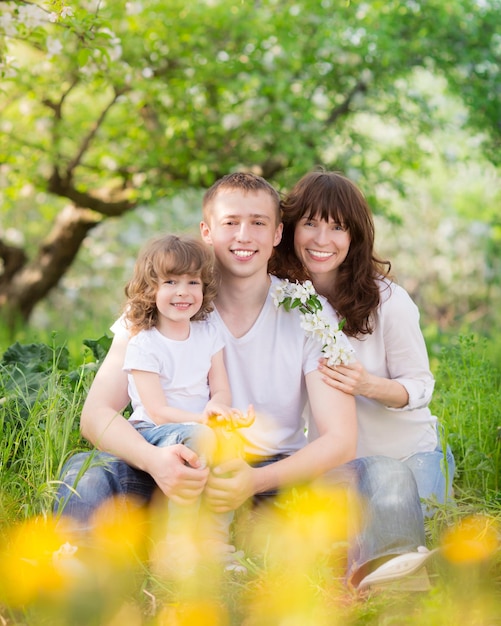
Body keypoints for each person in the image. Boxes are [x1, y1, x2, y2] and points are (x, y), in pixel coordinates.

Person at [54, 172, 431, 592]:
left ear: (277, 234)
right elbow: (96, 416)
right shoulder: (166, 299)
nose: (243, 235)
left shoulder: (308, 311)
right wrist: (155, 461)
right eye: (231, 222)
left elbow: (340, 440)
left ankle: (390, 574)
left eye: (258, 223)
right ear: (206, 230)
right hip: (180, 473)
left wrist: (252, 482)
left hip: (274, 480)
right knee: (86, 472)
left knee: (385, 474)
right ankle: (80, 574)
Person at [269, 169, 455, 516]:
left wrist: (368, 385)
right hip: (338, 466)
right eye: (311, 223)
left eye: (338, 227)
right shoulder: (280, 298)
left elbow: (420, 387)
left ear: (354, 236)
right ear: (290, 228)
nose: (322, 239)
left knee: (402, 531)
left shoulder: (389, 301)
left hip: (410, 458)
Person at [120, 233, 253, 569]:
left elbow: (220, 389)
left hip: (195, 425)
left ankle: (213, 541)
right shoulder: (144, 344)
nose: (183, 292)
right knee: (200, 440)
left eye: (193, 282)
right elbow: (158, 411)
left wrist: (218, 410)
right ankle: (176, 545)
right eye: (170, 281)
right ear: (151, 289)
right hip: (153, 430)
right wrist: (203, 423)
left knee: (229, 442)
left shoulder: (208, 332)